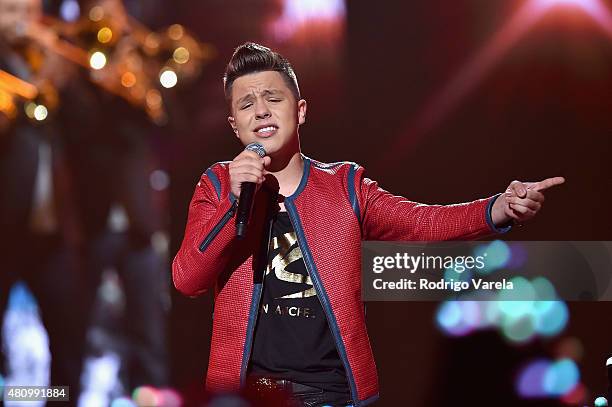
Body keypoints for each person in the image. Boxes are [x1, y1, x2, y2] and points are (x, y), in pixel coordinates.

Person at [172, 42, 565, 407]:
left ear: (301, 110)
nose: (261, 111)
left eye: (273, 98)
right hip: (251, 394)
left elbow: (419, 222)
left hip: (333, 392)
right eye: (247, 104)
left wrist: (497, 209)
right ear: (234, 125)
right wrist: (234, 202)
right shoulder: (217, 185)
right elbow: (188, 279)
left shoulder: (344, 185)